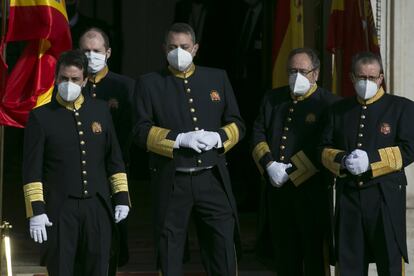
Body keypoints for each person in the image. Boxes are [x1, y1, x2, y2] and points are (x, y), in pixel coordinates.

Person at [133, 22, 245, 275]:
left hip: (211, 178)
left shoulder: (217, 77)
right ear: (164, 49)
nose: (178, 52)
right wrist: (179, 139)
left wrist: (218, 138)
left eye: (184, 46)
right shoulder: (150, 83)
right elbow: (140, 131)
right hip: (174, 180)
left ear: (195, 48)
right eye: (173, 47)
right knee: (170, 251)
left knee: (223, 248)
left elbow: (238, 123)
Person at [22, 50, 131, 276]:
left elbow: (114, 159)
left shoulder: (100, 110)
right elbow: (32, 169)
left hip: (97, 206)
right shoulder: (41, 116)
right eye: (63, 79)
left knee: (99, 267)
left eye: (74, 79)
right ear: (55, 78)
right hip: (60, 209)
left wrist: (121, 198)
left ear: (85, 81)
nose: (68, 84)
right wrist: (36, 211)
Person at [320, 51, 414, 275]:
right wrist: (342, 159)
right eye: (361, 77)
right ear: (352, 78)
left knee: (390, 261)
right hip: (349, 196)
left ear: (381, 78)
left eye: (372, 78)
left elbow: (409, 148)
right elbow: (322, 148)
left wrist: (371, 161)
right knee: (349, 261)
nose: (367, 82)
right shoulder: (338, 110)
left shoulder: (401, 107)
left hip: (385, 197)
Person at [252, 48, 338, 275]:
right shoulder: (273, 98)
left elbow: (324, 145)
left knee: (313, 259)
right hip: (277, 193)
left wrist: (292, 171)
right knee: (283, 257)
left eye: (302, 71)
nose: (296, 76)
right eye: (291, 71)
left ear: (316, 74)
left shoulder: (329, 103)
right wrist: (269, 164)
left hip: (311, 193)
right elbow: (258, 134)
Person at [79, 26, 135, 267]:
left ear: (108, 53)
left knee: (112, 233)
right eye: (85, 51)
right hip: (78, 169)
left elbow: (131, 130)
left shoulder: (124, 86)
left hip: (113, 170)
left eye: (96, 50)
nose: (91, 55)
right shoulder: (70, 83)